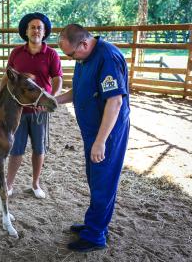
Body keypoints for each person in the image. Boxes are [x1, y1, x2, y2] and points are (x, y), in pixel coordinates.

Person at [55, 24, 130, 252]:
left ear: (84, 44)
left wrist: (100, 141)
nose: (70, 59)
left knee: (103, 182)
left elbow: (115, 101)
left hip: (107, 133)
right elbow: (78, 91)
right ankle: (95, 224)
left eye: (70, 54)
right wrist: (53, 101)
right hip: (92, 132)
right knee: (95, 179)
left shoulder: (108, 57)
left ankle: (96, 235)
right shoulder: (83, 59)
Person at [0, 12, 63, 201]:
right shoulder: (16, 53)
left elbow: (57, 79)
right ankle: (8, 185)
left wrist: (50, 99)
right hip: (18, 110)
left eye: (39, 27)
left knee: (39, 149)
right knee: (16, 149)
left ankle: (35, 184)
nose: (36, 30)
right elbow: (7, 77)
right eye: (32, 27)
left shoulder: (51, 54)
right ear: (26, 31)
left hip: (40, 110)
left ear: (44, 31)